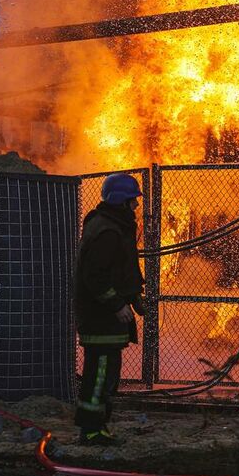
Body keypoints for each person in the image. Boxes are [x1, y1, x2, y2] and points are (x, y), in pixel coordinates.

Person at [74, 173, 145, 446]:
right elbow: (95, 276)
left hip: (105, 319)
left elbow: (120, 270)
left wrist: (134, 298)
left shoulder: (113, 226)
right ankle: (91, 431)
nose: (136, 207)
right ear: (121, 201)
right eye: (133, 201)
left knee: (105, 375)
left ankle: (98, 426)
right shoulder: (108, 231)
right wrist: (117, 304)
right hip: (101, 318)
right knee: (100, 375)